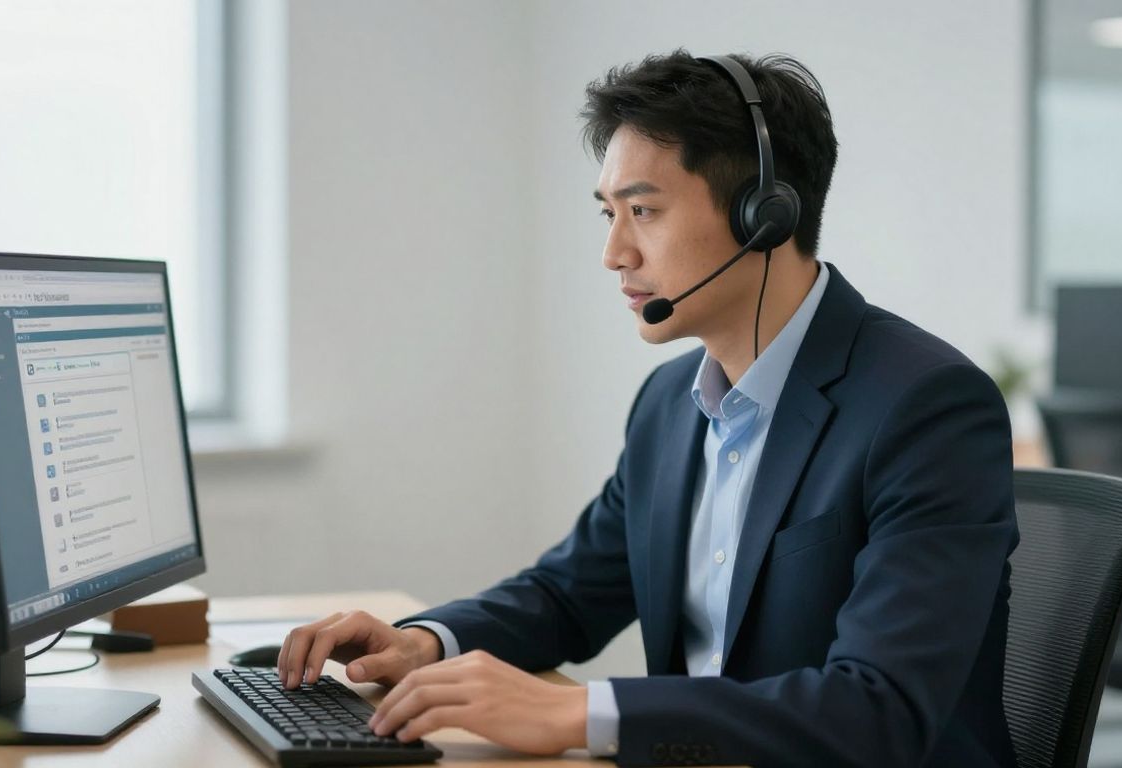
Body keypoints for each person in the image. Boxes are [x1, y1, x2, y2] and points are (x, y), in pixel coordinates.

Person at [279, 49, 1018, 767]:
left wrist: (579, 713)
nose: (614, 253)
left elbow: (878, 709)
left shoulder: (925, 407)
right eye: (609, 213)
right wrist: (424, 643)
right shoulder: (669, 403)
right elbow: (570, 593)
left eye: (642, 211)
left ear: (764, 217)